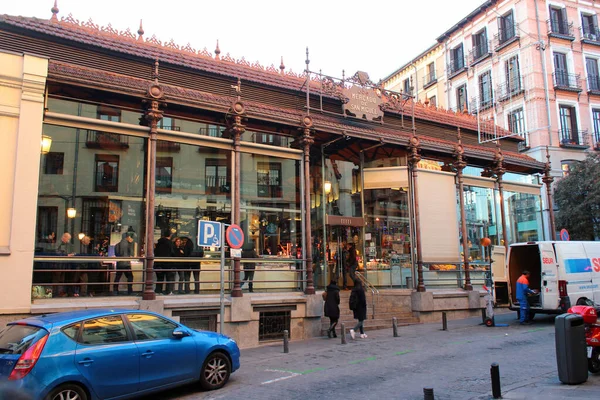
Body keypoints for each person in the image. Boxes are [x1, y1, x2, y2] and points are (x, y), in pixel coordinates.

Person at [53, 232, 72, 297]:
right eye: (68, 239)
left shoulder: (64, 244)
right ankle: (55, 294)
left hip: (62, 265)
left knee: (61, 280)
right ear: (65, 237)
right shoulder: (59, 243)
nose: (68, 241)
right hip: (58, 265)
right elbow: (56, 252)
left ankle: (59, 293)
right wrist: (66, 255)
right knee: (57, 279)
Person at [154, 229, 173, 294]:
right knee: (168, 278)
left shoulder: (159, 243)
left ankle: (158, 291)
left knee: (159, 278)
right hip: (167, 263)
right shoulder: (170, 243)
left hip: (158, 263)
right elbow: (172, 253)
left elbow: (155, 252)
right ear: (170, 235)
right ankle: (168, 291)